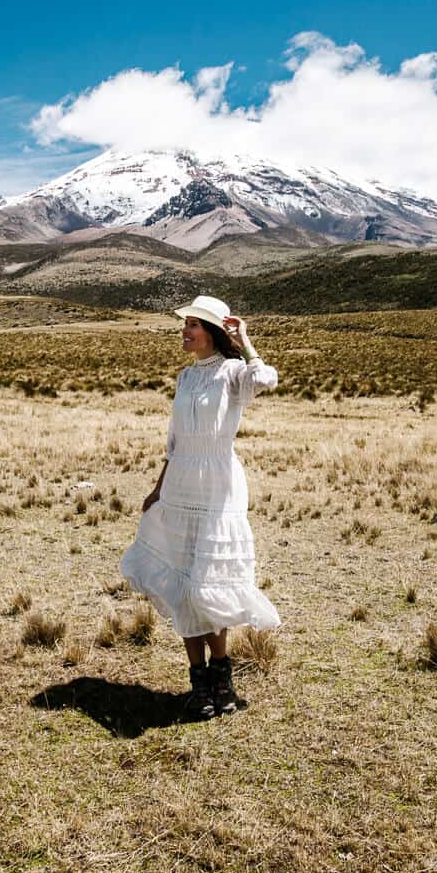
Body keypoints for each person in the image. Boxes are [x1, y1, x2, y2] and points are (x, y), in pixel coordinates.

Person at [120, 295, 281, 719]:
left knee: (209, 585)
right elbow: (173, 444)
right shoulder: (185, 378)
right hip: (180, 488)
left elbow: (266, 379)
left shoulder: (232, 374)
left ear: (211, 332)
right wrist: (158, 489)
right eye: (185, 323)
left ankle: (222, 675)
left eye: (193, 324)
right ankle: (200, 683)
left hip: (218, 490)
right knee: (182, 585)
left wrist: (244, 340)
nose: (185, 331)